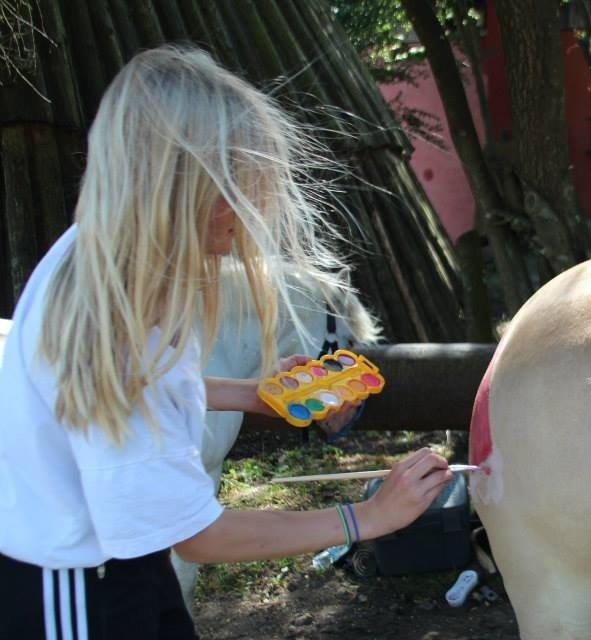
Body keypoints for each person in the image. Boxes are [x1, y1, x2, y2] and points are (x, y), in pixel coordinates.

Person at [0, 46, 452, 639]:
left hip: (123, 565)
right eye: (238, 191)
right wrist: (366, 517)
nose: (248, 219)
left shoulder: (106, 258)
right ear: (184, 185)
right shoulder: (114, 318)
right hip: (77, 587)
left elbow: (138, 389)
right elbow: (199, 535)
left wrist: (250, 395)